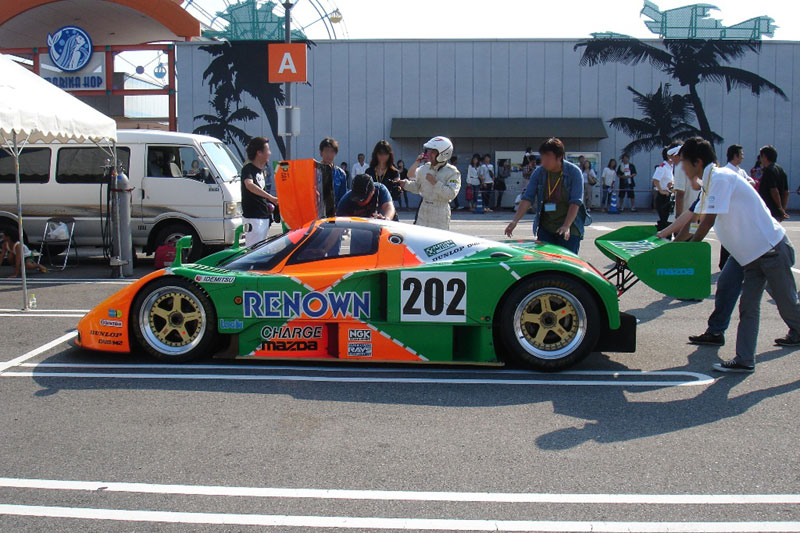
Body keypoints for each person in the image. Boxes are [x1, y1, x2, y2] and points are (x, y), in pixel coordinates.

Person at [679, 136, 800, 372]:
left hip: (771, 250)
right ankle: (744, 360)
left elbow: (707, 221)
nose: (682, 168)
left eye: (684, 162)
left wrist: (690, 250)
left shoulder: (721, 178)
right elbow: (695, 220)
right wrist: (675, 245)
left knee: (788, 307)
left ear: (697, 162)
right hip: (751, 256)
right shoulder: (710, 183)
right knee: (748, 307)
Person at [504, 138, 591, 255]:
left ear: (559, 157)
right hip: (546, 227)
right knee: (544, 261)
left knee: (566, 263)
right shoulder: (539, 173)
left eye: (547, 157)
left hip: (570, 226)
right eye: (542, 156)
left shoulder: (574, 172)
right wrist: (515, 221)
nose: (543, 160)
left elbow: (575, 202)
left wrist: (566, 226)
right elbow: (527, 198)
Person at [399, 136, 461, 230]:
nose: (428, 154)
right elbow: (416, 184)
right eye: (428, 151)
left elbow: (450, 194)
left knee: (438, 238)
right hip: (423, 209)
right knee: (420, 237)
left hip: (440, 212)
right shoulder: (425, 168)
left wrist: (435, 183)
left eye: (433, 152)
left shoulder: (452, 172)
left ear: (443, 153)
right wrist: (405, 184)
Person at [241, 137, 279, 247]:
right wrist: (270, 197)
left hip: (264, 217)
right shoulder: (248, 169)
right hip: (253, 218)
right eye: (267, 150)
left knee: (262, 250)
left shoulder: (263, 171)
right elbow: (249, 185)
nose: (269, 153)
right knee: (254, 250)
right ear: (259, 153)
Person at [365, 140, 402, 211]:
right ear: (376, 154)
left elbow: (396, 193)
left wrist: (398, 188)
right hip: (371, 206)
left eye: (386, 154)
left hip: (387, 206)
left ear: (390, 155)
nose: (383, 156)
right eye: (380, 153)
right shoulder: (369, 171)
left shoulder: (394, 172)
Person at [318, 137, 348, 218]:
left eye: (332, 152)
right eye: (326, 151)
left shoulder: (341, 174)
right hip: (315, 213)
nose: (329, 154)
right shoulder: (314, 170)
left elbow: (342, 199)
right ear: (321, 152)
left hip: (333, 214)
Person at [758, 145, 789, 223]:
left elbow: (774, 190)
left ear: (764, 157)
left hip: (768, 210)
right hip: (777, 212)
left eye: (761, 157)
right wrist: (783, 208)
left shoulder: (769, 170)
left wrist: (780, 208)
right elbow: (786, 192)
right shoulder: (781, 170)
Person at [652, 143, 678, 231]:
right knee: (665, 221)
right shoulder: (663, 167)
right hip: (663, 197)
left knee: (669, 221)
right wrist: (661, 190)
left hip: (670, 195)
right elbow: (655, 179)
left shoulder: (671, 167)